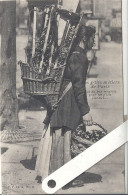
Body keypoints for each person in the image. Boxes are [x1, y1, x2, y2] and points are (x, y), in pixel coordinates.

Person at [35, 24, 96, 186]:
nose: (93, 42)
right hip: (68, 99)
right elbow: (78, 86)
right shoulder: (79, 57)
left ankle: (57, 174)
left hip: (61, 96)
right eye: (92, 38)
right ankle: (63, 178)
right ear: (85, 38)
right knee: (65, 134)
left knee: (60, 133)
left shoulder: (72, 53)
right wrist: (85, 111)